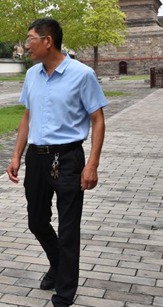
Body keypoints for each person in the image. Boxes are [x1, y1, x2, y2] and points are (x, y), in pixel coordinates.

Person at [6, 18, 107, 307]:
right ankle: (58, 263)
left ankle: (65, 291)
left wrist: (92, 165)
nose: (26, 45)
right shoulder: (32, 75)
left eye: (30, 39)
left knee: (68, 228)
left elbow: (97, 120)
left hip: (68, 158)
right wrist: (16, 155)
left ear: (47, 41)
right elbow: (27, 116)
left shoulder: (82, 74)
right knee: (36, 221)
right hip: (36, 158)